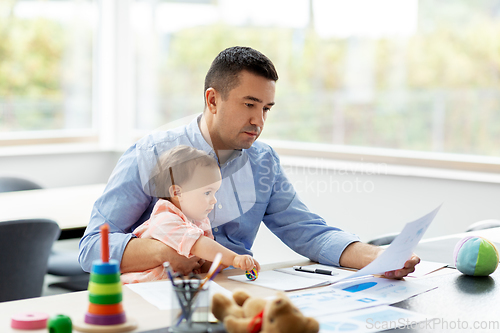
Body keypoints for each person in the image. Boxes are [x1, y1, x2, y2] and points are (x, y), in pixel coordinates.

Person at [79, 46, 419, 279]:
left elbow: (309, 233)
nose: (259, 120)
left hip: (230, 299)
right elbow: (92, 248)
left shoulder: (263, 162)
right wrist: (161, 252)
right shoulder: (151, 154)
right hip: (154, 301)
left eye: (266, 109)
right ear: (213, 100)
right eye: (249, 104)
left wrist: (376, 258)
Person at [120, 145, 260, 284]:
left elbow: (203, 266)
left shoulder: (199, 221)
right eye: (207, 192)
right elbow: (197, 245)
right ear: (177, 193)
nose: (214, 200)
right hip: (138, 287)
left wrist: (220, 262)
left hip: (173, 288)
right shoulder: (164, 219)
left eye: (214, 192)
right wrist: (234, 258)